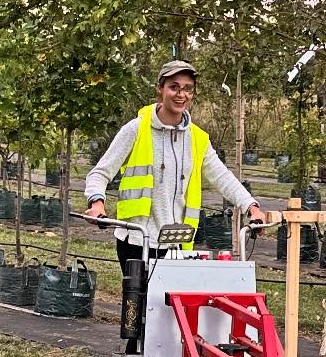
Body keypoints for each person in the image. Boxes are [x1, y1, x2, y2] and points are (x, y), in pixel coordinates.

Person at [84, 58, 268, 273]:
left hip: (177, 244)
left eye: (187, 89)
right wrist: (97, 204)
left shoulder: (197, 139)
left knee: (175, 306)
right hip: (137, 241)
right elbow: (100, 172)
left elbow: (222, 176)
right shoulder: (136, 129)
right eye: (174, 87)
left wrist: (251, 207)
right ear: (160, 89)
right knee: (140, 306)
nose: (181, 95)